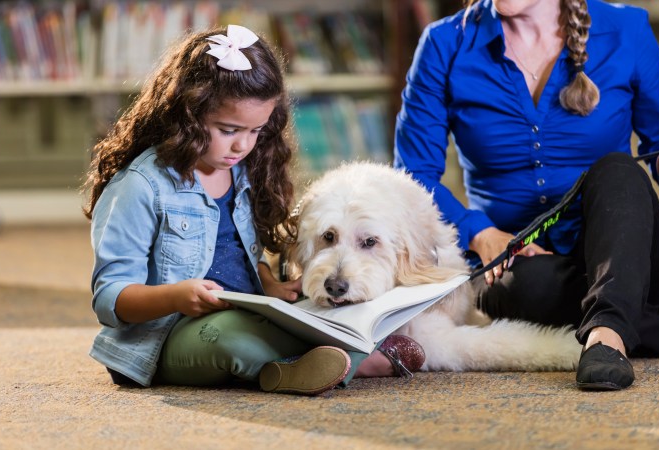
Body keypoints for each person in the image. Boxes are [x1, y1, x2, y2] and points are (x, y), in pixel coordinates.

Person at [82, 25, 424, 395]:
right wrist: (177, 296)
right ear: (187, 114)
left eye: (256, 131)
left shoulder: (240, 171)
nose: (242, 145)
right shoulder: (140, 185)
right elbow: (109, 297)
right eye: (228, 130)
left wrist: (270, 286)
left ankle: (303, 364)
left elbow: (240, 256)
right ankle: (346, 359)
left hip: (247, 312)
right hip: (165, 336)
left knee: (314, 309)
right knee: (232, 340)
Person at [394, 0, 659, 391]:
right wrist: (481, 233)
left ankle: (607, 335)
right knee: (520, 289)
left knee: (616, 168)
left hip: (631, 255)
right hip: (518, 267)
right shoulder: (443, 44)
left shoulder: (626, 28)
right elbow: (413, 177)